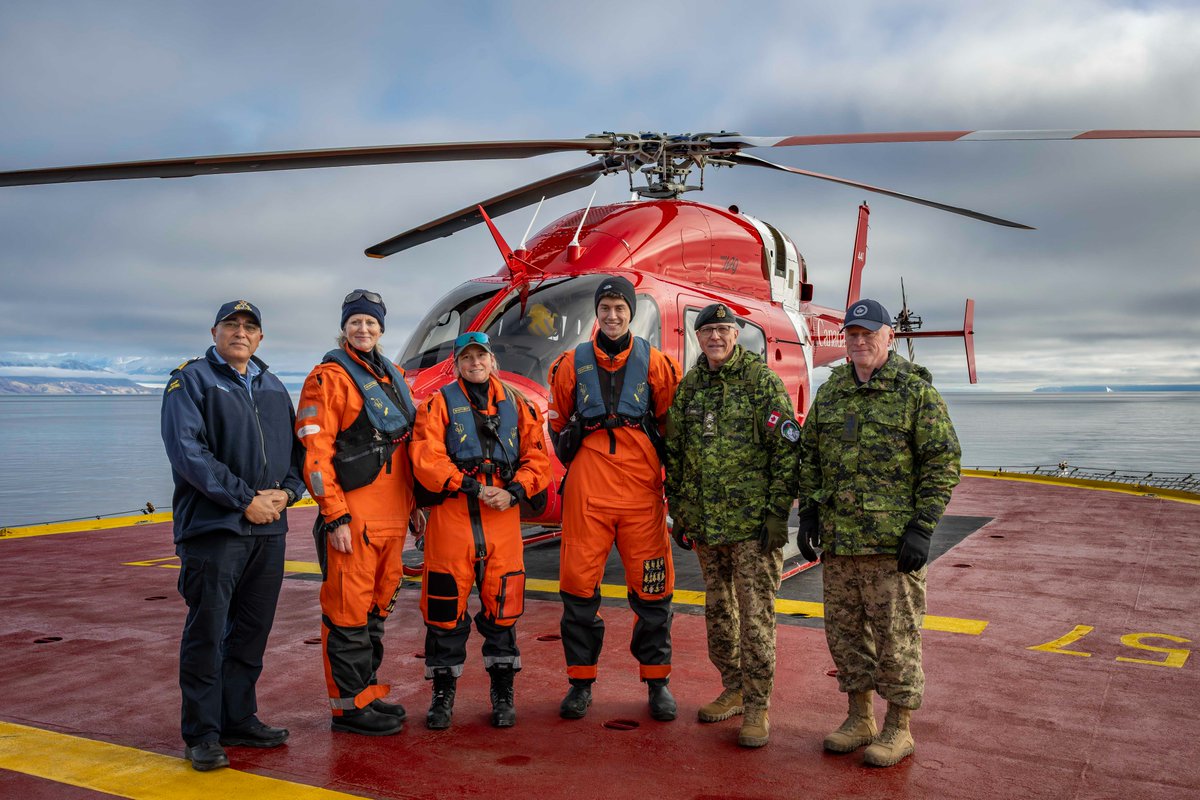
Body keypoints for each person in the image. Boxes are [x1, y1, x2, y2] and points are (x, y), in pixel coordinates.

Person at [796, 298, 961, 767]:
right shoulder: (832, 393)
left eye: (869, 333)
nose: (860, 341)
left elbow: (942, 463)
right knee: (846, 635)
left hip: (892, 546)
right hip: (841, 542)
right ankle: (859, 718)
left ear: (889, 336)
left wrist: (923, 528)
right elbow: (810, 457)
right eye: (853, 334)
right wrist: (808, 513)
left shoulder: (915, 392)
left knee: (897, 638)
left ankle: (898, 728)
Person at [161, 299, 305, 771]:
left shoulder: (272, 384)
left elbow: (298, 453)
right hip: (216, 528)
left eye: (249, 327)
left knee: (250, 631)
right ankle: (202, 733)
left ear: (260, 338)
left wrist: (286, 494)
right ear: (215, 331)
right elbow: (188, 452)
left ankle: (238, 717)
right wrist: (245, 499)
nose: (240, 332)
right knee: (207, 632)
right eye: (231, 325)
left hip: (270, 529)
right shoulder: (191, 380)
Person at [664, 303, 800, 748]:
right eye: (709, 331)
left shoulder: (761, 382)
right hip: (708, 527)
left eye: (724, 330)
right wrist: (681, 511)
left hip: (751, 528)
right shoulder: (691, 387)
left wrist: (778, 513)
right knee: (720, 613)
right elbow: (677, 456)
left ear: (736, 334)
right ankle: (734, 686)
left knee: (756, 616)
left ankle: (758, 707)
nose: (717, 338)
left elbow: (786, 453)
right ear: (698, 337)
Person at [547, 275, 682, 721]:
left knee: (653, 592)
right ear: (596, 312)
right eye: (604, 307)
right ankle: (581, 683)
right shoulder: (571, 363)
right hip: (588, 494)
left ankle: (657, 681)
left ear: (631, 312)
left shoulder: (657, 364)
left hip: (642, 494)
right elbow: (558, 421)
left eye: (619, 307)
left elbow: (669, 426)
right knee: (578, 591)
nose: (612, 315)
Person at [296, 290, 426, 736]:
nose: (363, 329)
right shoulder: (327, 379)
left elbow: (406, 449)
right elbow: (315, 455)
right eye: (356, 323)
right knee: (347, 613)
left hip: (393, 518)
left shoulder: (395, 377)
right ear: (344, 328)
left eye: (371, 323)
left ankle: (366, 693)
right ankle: (348, 710)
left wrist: (415, 510)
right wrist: (334, 516)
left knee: (376, 612)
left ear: (382, 329)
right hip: (354, 519)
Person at [409, 331, 552, 729]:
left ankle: (503, 692)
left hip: (501, 519)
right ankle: (442, 696)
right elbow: (425, 456)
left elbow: (537, 458)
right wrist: (470, 485)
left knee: (503, 609)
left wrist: (515, 491)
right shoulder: (437, 405)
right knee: (442, 613)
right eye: (466, 357)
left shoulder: (519, 407)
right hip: (453, 519)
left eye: (481, 356)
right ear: (457, 363)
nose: (474, 363)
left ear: (492, 361)